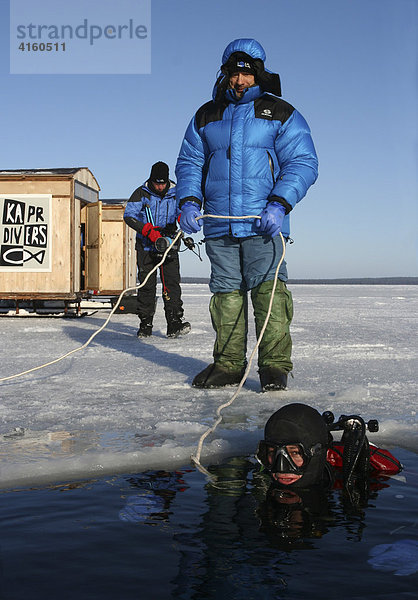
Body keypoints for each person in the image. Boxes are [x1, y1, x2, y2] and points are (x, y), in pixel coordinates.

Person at [175, 38, 318, 390]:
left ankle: (274, 367)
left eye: (247, 73)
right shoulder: (206, 115)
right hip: (220, 225)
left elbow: (303, 162)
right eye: (234, 73)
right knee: (226, 297)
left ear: (258, 74)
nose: (240, 81)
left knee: (269, 296)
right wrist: (189, 201)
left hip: (263, 225)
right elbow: (190, 162)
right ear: (225, 74)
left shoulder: (280, 113)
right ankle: (227, 365)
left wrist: (280, 202)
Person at [124, 161, 191, 338]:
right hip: (146, 246)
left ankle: (174, 323)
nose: (160, 186)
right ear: (151, 180)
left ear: (167, 180)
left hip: (168, 245)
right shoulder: (141, 193)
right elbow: (129, 215)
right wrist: (148, 231)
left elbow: (181, 212)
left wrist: (182, 219)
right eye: (156, 183)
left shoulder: (177, 192)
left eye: (162, 183)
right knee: (147, 286)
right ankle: (145, 324)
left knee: (172, 285)